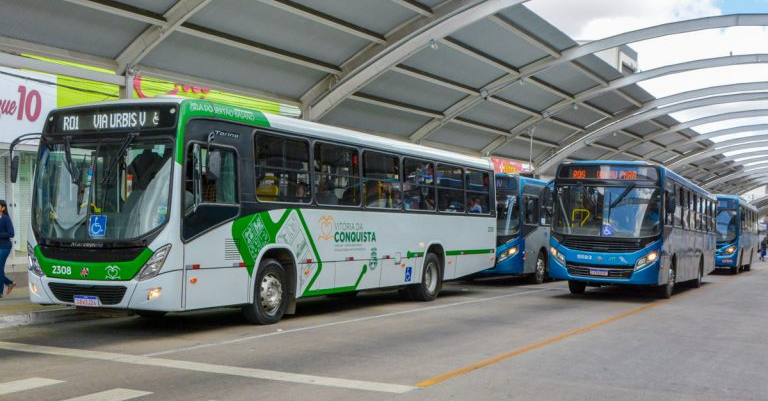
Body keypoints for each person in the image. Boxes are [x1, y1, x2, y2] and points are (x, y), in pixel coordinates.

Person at [0, 200, 15, 298]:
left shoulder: (6, 219)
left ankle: (0, 292)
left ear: (3, 208)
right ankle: (10, 283)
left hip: (5, 247)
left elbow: (11, 233)